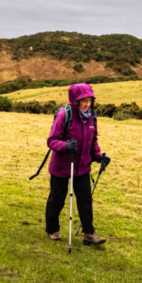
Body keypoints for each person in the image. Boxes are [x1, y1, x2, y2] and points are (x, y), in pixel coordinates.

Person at [46, 83, 111, 245]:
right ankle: (52, 229)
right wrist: (66, 146)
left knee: (85, 199)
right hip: (61, 166)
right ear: (75, 100)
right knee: (57, 198)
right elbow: (52, 141)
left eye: (90, 100)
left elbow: (92, 141)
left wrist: (98, 157)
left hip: (81, 166)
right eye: (83, 101)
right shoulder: (64, 115)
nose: (87, 104)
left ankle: (89, 233)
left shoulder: (92, 117)